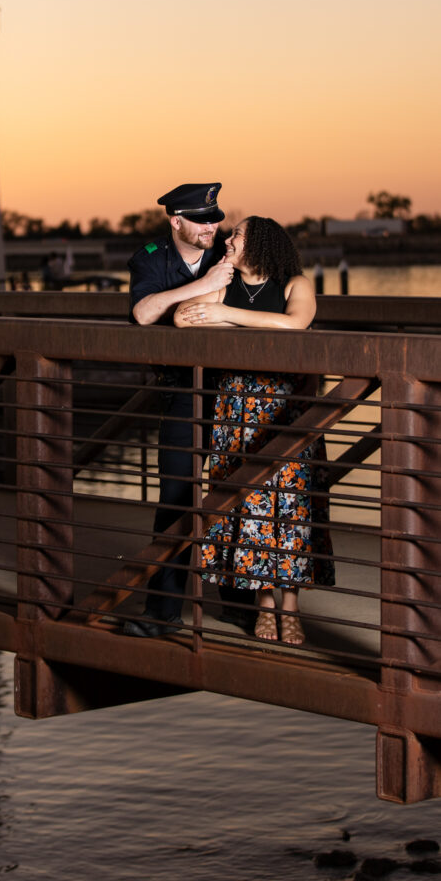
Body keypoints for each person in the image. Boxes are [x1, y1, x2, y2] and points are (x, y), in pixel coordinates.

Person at [175, 216, 335, 644]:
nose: (228, 239)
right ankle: (265, 606)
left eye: (237, 234)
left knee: (290, 509)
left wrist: (225, 316)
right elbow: (183, 320)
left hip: (284, 409)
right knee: (246, 509)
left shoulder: (294, 284)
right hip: (236, 410)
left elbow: (295, 324)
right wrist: (221, 307)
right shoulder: (226, 284)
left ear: (260, 242)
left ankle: (291, 608)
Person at [123, 181, 257, 639]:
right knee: (176, 498)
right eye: (201, 220)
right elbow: (143, 314)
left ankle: (241, 606)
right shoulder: (151, 256)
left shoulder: (235, 249)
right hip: (184, 392)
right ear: (175, 220)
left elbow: (277, 290)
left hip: (236, 388)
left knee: (235, 496)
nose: (212, 226)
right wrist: (205, 285)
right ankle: (162, 612)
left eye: (215, 218)